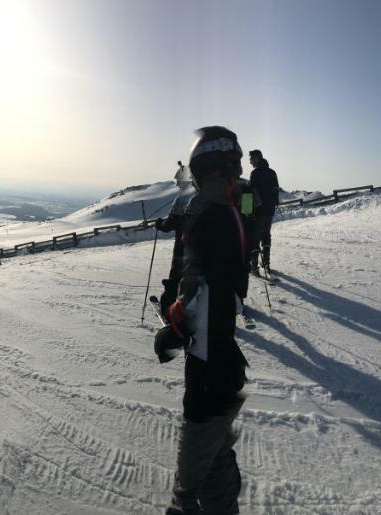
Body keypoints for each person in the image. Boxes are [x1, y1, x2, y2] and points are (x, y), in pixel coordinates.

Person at [153, 126, 250, 514]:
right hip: (220, 360)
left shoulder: (213, 216)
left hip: (211, 365)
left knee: (191, 473)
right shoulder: (221, 209)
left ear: (203, 169)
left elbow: (203, 293)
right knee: (215, 456)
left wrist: (175, 327)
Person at [156, 161, 199, 310]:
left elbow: (170, 224)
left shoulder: (180, 200)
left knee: (176, 274)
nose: (177, 185)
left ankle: (169, 306)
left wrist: (159, 225)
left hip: (183, 245)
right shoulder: (201, 195)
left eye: (178, 181)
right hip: (201, 247)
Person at [248, 149, 280, 273]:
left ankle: (254, 266)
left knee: (255, 236)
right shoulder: (272, 173)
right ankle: (266, 263)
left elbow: (250, 193)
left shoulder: (255, 173)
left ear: (256, 158)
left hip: (258, 210)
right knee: (266, 235)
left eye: (251, 159)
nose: (250, 162)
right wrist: (273, 204)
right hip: (270, 210)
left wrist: (247, 210)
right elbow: (275, 190)